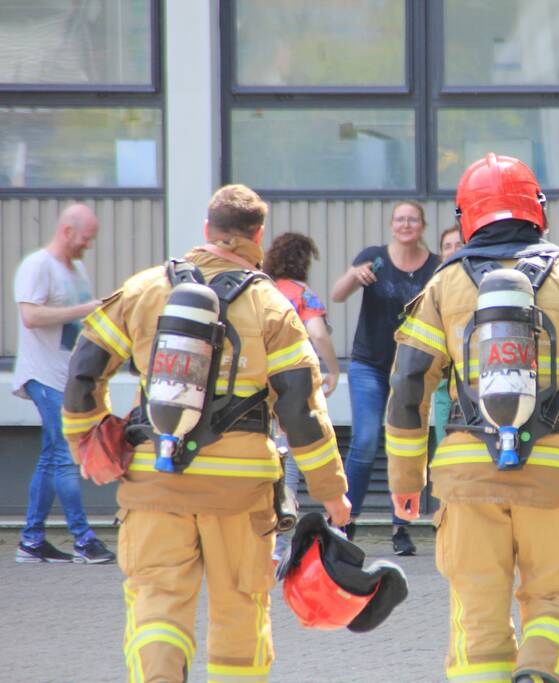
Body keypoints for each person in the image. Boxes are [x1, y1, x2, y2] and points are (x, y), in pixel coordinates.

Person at [62, 184, 351, 682]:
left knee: (157, 606)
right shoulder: (271, 305)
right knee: (239, 613)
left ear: (206, 230)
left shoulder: (145, 289)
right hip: (240, 492)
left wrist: (86, 441)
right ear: (258, 236)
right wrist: (332, 491)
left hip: (155, 481)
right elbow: (300, 409)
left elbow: (83, 371)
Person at [385, 154, 559, 683]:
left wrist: (405, 479)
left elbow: (408, 384)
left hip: (465, 479)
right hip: (554, 474)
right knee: (558, 598)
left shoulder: (443, 285)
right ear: (538, 210)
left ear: (466, 218)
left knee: (477, 615)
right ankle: (539, 671)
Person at [330, 201, 440, 556]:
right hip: (370, 365)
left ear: (422, 225)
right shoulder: (375, 258)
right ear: (392, 225)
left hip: (410, 370)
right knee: (364, 440)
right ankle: (345, 521)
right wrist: (355, 275)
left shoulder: (436, 267)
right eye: (400, 219)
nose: (406, 224)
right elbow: (338, 294)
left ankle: (401, 527)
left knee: (405, 447)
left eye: (412, 219)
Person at [12, 204, 115, 564]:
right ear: (67, 231)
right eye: (86, 238)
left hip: (65, 377)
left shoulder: (77, 270)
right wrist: (86, 309)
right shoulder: (37, 266)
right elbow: (30, 316)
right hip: (43, 376)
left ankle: (31, 541)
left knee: (50, 457)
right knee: (66, 456)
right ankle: (83, 539)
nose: (88, 245)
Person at [263, 232, 341, 562]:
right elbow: (318, 333)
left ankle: (258, 540)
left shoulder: (260, 291)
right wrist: (333, 369)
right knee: (289, 466)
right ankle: (279, 544)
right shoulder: (301, 294)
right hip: (289, 388)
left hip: (252, 391)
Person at [431, 225, 463, 448]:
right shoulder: (435, 286)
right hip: (444, 381)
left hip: (474, 381)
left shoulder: (483, 281)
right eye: (447, 246)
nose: (452, 250)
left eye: (458, 245)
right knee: (445, 445)